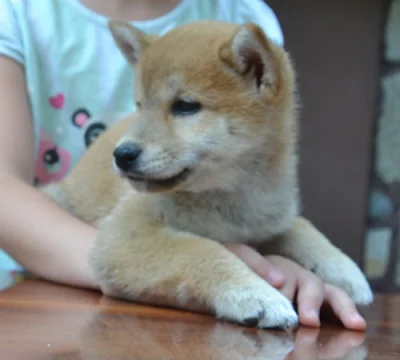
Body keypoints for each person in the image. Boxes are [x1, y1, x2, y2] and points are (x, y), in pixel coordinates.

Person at [0, 0, 367, 330]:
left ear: (257, 73)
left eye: (185, 107)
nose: (132, 140)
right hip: (38, 297)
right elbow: (121, 249)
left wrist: (275, 266)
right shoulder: (18, 12)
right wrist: (215, 274)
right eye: (141, 106)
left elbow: (250, 220)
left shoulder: (243, 16)